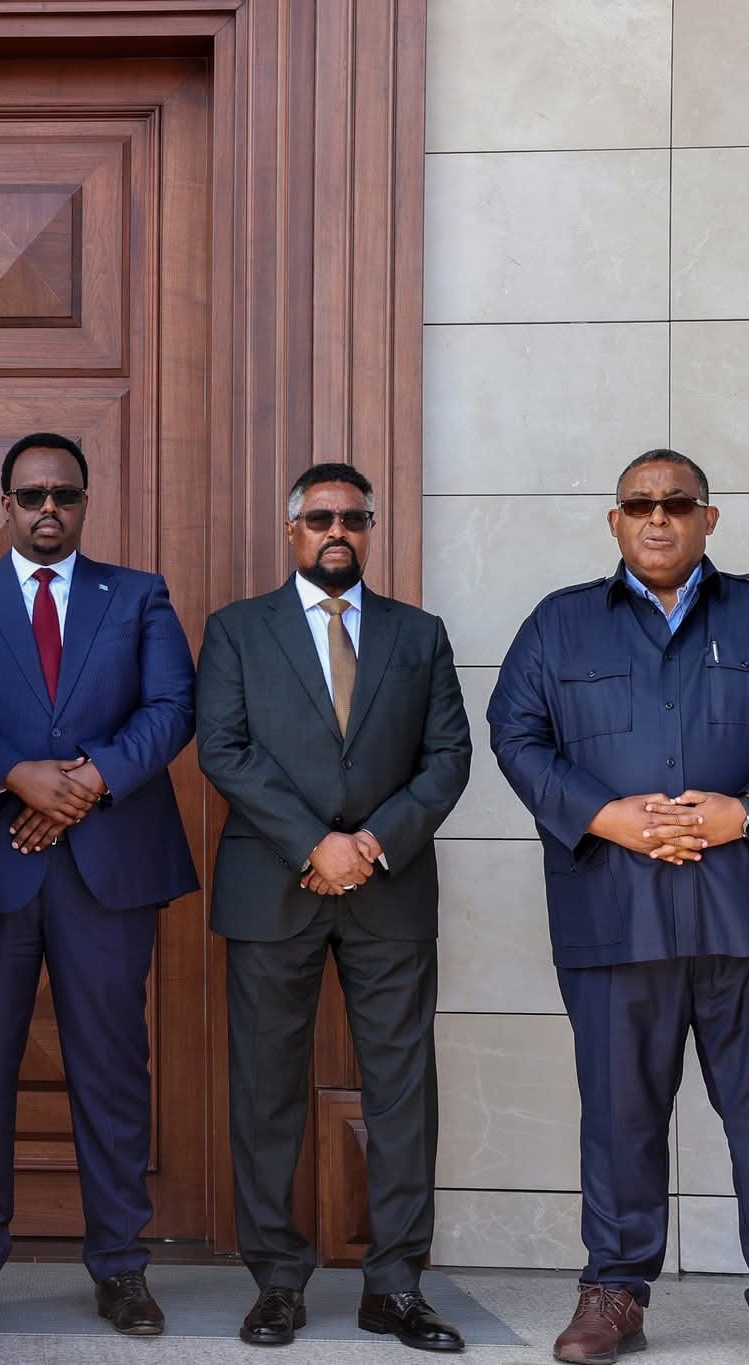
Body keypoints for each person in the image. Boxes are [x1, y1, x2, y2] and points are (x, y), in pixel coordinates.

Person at [488, 449, 749, 1365]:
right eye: (640, 504)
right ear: (614, 520)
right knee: (619, 1116)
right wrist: (602, 815)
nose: (659, 517)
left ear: (708, 518)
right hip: (617, 915)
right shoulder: (558, 625)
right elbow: (516, 733)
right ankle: (614, 1291)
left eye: (678, 502)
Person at [0, 432, 197, 1338]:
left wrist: (86, 782)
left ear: (84, 503)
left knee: (111, 1069)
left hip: (106, 865)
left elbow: (172, 708)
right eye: (32, 494)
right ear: (5, 504)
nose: (48, 509)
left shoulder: (138, 594)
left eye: (64, 495)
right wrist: (18, 776)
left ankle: (121, 1266)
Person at [195, 462, 471, 1352]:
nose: (337, 530)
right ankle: (277, 1280)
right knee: (266, 1090)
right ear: (293, 530)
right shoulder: (237, 630)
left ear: (371, 528)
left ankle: (395, 1286)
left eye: (353, 517)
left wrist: (372, 841)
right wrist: (315, 842)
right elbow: (223, 749)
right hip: (273, 886)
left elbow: (449, 755)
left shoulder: (419, 634)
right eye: (320, 517)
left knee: (404, 1094)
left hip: (390, 887)